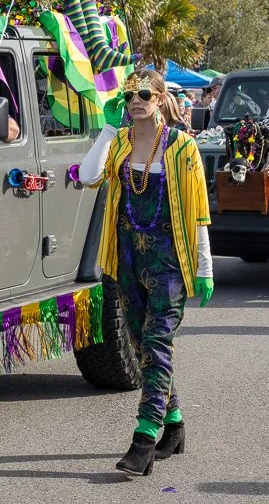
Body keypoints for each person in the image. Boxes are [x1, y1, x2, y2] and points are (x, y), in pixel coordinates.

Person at [78, 69, 213, 477]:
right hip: (126, 260)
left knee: (156, 343)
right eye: (130, 94)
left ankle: (144, 439)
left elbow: (199, 210)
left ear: (159, 99)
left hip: (168, 261)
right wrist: (105, 128)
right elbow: (86, 178)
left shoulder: (182, 147)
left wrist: (204, 268)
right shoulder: (119, 141)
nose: (136, 100)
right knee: (141, 345)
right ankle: (174, 425)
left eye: (144, 94)